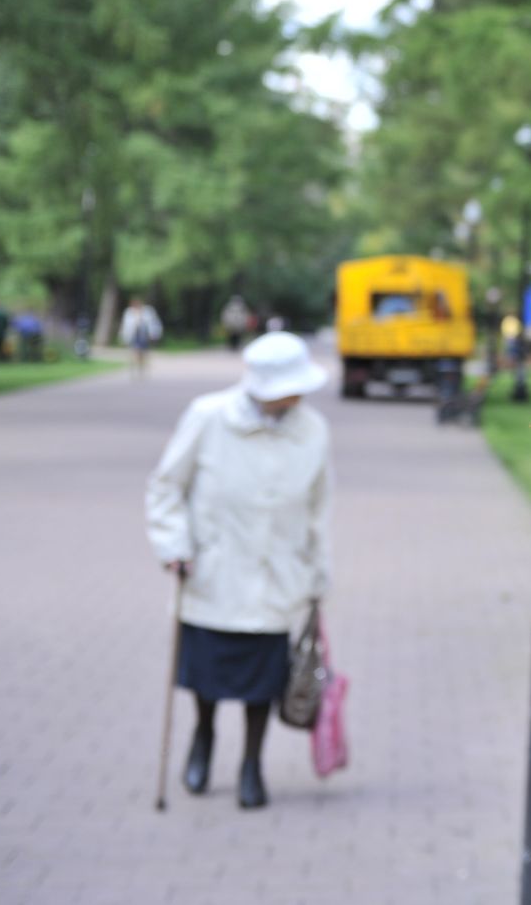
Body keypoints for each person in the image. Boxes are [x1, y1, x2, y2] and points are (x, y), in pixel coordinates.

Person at [144, 331, 333, 810]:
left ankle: (252, 762)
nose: (300, 395)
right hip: (213, 572)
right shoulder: (208, 417)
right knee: (207, 677)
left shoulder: (313, 430)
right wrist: (174, 545)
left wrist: (318, 575)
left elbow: (319, 509)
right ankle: (203, 737)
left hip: (275, 577)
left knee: (265, 683)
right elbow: (166, 487)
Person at [118, 296, 163, 378]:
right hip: (134, 335)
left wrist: (154, 334)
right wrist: (123, 337)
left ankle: (141, 369)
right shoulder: (129, 312)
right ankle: (134, 368)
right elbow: (126, 326)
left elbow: (153, 323)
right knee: (135, 352)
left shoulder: (147, 311)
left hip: (143, 335)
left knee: (143, 353)